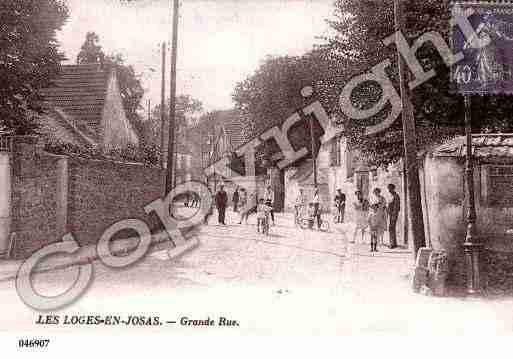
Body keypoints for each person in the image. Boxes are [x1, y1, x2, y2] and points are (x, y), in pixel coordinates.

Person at [387, 183, 401, 249]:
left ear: (392, 189)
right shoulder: (391, 196)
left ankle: (392, 244)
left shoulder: (396, 196)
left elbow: (396, 207)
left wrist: (393, 215)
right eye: (388, 188)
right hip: (390, 214)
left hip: (393, 214)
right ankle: (393, 243)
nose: (388, 190)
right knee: (391, 228)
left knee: (391, 228)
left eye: (390, 188)